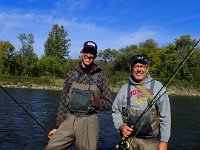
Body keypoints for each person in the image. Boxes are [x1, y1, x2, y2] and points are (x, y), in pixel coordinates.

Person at [45, 41, 112, 150]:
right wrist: (58, 126)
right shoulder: (71, 74)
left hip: (89, 121)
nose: (88, 55)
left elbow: (108, 104)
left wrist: (96, 102)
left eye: (92, 53)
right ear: (81, 53)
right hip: (69, 119)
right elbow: (63, 102)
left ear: (95, 56)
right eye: (86, 52)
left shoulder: (102, 77)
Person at [112, 55, 171, 150]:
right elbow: (115, 111)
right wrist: (121, 126)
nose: (139, 69)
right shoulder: (124, 89)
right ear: (131, 69)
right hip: (128, 141)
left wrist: (164, 141)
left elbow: (166, 116)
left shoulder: (158, 87)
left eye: (142, 66)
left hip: (151, 143)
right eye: (136, 66)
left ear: (147, 69)